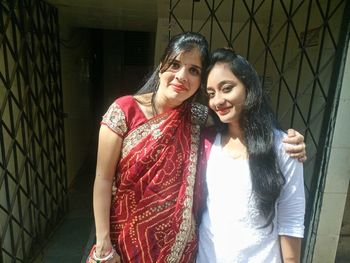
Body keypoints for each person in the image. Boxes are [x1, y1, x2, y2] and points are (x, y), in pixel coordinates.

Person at [87, 32, 306, 263]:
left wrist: (286, 140)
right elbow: (103, 179)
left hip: (179, 250)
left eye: (193, 70)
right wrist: (103, 243)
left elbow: (239, 120)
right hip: (124, 241)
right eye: (175, 64)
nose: (182, 76)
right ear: (161, 66)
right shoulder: (124, 110)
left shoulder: (198, 118)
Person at [196, 48, 305, 263]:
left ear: (249, 87)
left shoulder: (284, 147)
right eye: (210, 93)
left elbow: (291, 219)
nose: (217, 100)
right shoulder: (208, 142)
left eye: (226, 89)